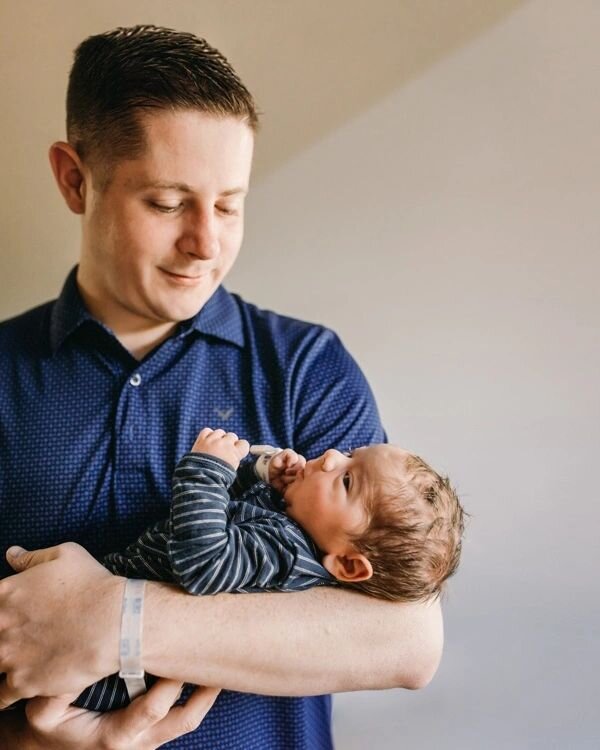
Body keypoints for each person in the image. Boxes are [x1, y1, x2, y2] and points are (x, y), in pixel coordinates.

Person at [0, 25, 443, 750]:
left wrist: (115, 623)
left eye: (230, 205)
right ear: (75, 178)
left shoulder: (307, 367)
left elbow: (405, 639)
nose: (207, 243)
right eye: (169, 203)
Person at [75, 427, 463, 712]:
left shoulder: (287, 552)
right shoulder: (293, 527)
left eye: (346, 480)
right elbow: (230, 518)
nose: (330, 456)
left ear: (346, 563)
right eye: (349, 453)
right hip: (105, 623)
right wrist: (260, 475)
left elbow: (203, 565)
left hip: (110, 677)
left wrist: (208, 470)